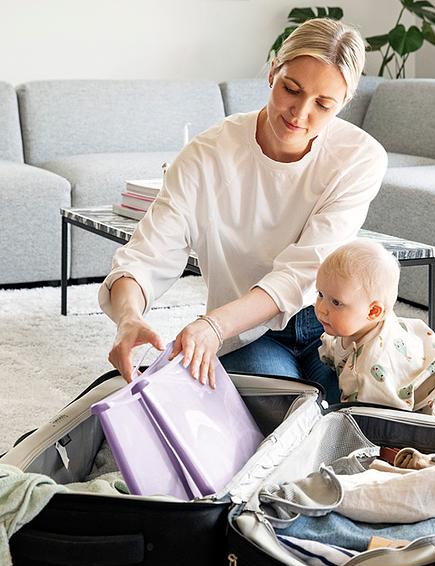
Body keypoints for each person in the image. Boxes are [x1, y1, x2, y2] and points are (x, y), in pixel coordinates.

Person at [98, 18, 387, 402]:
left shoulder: (359, 158)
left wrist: (212, 326)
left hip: (335, 326)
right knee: (288, 416)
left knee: (372, 414)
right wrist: (129, 318)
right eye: (291, 89)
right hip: (248, 332)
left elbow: (302, 273)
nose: (300, 113)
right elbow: (146, 255)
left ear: (345, 102)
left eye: (323, 104)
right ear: (272, 72)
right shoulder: (209, 155)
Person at [315, 239, 435, 423]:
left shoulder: (370, 371)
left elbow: (378, 425)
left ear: (373, 311)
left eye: (336, 302)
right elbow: (336, 349)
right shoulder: (363, 325)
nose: (321, 308)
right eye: (320, 294)